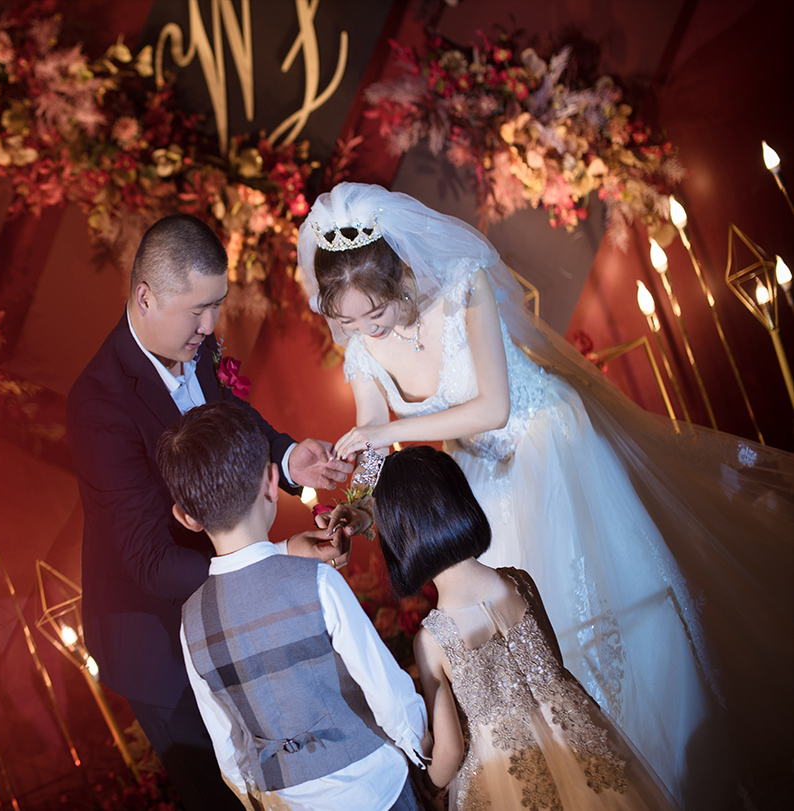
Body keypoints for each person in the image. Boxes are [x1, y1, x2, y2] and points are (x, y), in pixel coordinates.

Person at [297, 182, 794, 809]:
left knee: (604, 609)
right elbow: (371, 441)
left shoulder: (463, 284)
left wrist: (386, 433)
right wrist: (356, 507)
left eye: (373, 314)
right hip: (477, 479)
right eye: (348, 321)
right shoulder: (363, 351)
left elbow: (494, 408)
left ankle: (676, 774)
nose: (364, 330)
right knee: (530, 631)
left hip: (549, 446)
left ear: (397, 275)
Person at [66, 213, 354, 811]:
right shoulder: (98, 405)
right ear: (145, 297)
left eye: (217, 305)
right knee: (224, 796)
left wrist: (287, 456)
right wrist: (272, 561)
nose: (210, 326)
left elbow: (229, 418)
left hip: (228, 606)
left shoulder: (193, 343)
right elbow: (150, 560)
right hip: (158, 643)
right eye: (198, 310)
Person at [155, 401, 430, 811]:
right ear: (272, 481)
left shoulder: (191, 621)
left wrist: (255, 797)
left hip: (287, 800)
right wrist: (422, 754)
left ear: (186, 517)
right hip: (375, 786)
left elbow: (226, 742)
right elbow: (388, 694)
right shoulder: (316, 580)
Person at [373, 445, 679, 810]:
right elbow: (555, 668)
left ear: (399, 537)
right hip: (579, 744)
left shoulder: (431, 641)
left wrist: (426, 784)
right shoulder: (519, 582)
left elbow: (450, 752)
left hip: (506, 776)